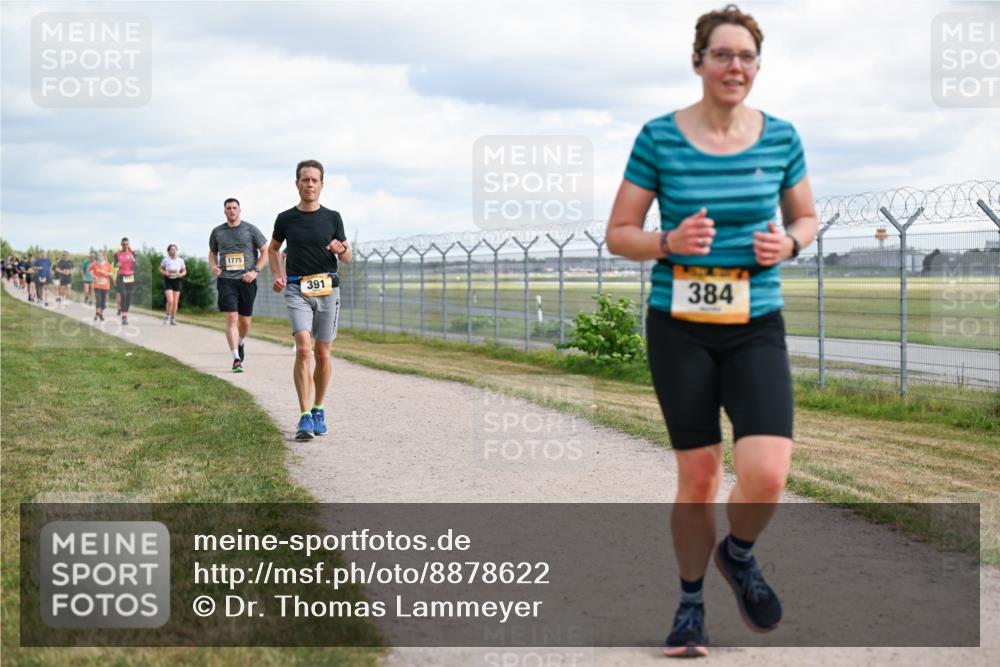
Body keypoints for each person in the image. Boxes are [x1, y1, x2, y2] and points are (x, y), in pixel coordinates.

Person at [605, 4, 818, 658]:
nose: (735, 66)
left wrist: (786, 244)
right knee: (698, 474)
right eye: (722, 54)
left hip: (755, 322)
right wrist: (668, 239)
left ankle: (739, 553)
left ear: (758, 67)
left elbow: (806, 218)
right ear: (698, 61)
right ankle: (691, 605)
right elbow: (619, 234)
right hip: (680, 327)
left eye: (747, 57)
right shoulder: (659, 138)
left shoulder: (781, 137)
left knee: (768, 470)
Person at [268, 159, 351, 440]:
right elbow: (273, 249)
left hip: (328, 289)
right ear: (297, 184)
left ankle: (318, 409)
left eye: (315, 180)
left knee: (322, 353)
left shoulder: (333, 218)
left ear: (322, 185)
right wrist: (277, 275)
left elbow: (348, 257)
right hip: (297, 289)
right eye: (305, 180)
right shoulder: (286, 218)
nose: (310, 184)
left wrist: (341, 250)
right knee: (304, 349)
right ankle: (304, 416)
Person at [209, 198, 269, 372]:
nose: (232, 211)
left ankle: (241, 342)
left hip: (247, 280)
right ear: (225, 211)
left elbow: (265, 250)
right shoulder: (217, 231)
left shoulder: (250, 229)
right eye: (228, 208)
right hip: (226, 280)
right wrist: (213, 266)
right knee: (232, 317)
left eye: (235, 208)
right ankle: (236, 358)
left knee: (245, 321)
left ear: (240, 210)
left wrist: (255, 270)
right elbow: (212, 252)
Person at [159, 244, 187, 325]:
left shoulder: (180, 260)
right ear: (169, 251)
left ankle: (173, 318)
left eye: (175, 249)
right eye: (171, 249)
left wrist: (180, 274)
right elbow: (160, 269)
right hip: (168, 280)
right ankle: (167, 316)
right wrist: (165, 273)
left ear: (176, 251)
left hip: (177, 281)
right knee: (170, 301)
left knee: (175, 302)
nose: (173, 251)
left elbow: (185, 271)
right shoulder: (165, 260)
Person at [114, 238, 137, 326]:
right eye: (123, 244)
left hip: (130, 276)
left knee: (128, 297)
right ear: (121, 244)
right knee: (123, 295)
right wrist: (117, 265)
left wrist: (134, 260)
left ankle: (125, 315)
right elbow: (115, 264)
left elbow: (136, 264)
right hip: (121, 276)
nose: (125, 246)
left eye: (126, 244)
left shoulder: (132, 253)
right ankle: (123, 317)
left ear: (128, 244)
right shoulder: (117, 254)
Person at [89, 252, 113, 321]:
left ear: (103, 257)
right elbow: (89, 271)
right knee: (98, 300)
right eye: (98, 256)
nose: (99, 257)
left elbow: (111, 272)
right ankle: (97, 314)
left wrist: (106, 273)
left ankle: (101, 314)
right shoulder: (95, 264)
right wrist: (94, 276)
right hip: (97, 285)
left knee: (103, 302)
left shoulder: (107, 264)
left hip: (105, 285)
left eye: (101, 256)